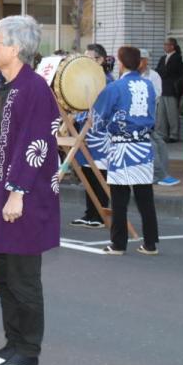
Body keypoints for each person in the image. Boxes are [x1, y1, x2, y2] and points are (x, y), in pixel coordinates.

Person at [0, 15, 60, 365]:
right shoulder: (4, 87)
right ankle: (12, 343)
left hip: (23, 200)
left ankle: (28, 352)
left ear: (16, 47)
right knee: (3, 276)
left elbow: (36, 144)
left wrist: (17, 193)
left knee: (23, 278)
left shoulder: (34, 88)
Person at [88, 46, 160, 256]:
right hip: (143, 144)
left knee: (119, 198)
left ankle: (118, 244)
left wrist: (96, 122)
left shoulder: (116, 87)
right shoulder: (148, 85)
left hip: (121, 146)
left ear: (121, 63)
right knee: (145, 196)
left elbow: (98, 118)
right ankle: (150, 243)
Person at [71, 43, 112, 227]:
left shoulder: (107, 80)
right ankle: (90, 213)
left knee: (99, 172)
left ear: (100, 60)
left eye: (89, 58)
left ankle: (100, 213)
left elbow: (104, 108)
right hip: (86, 129)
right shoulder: (87, 79)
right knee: (87, 171)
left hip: (100, 133)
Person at [138, 50, 178, 187]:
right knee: (153, 144)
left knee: (159, 143)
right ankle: (160, 175)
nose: (139, 62)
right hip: (137, 119)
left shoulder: (153, 75)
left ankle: (162, 174)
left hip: (149, 117)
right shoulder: (130, 75)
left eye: (141, 59)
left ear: (146, 60)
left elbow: (156, 96)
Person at [156, 38, 183, 142]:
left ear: (172, 46)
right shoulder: (163, 58)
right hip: (162, 88)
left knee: (172, 113)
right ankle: (162, 134)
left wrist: (162, 71)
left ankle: (173, 135)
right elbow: (158, 71)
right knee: (161, 113)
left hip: (171, 89)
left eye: (167, 44)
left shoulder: (177, 57)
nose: (165, 46)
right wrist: (162, 71)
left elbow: (169, 71)